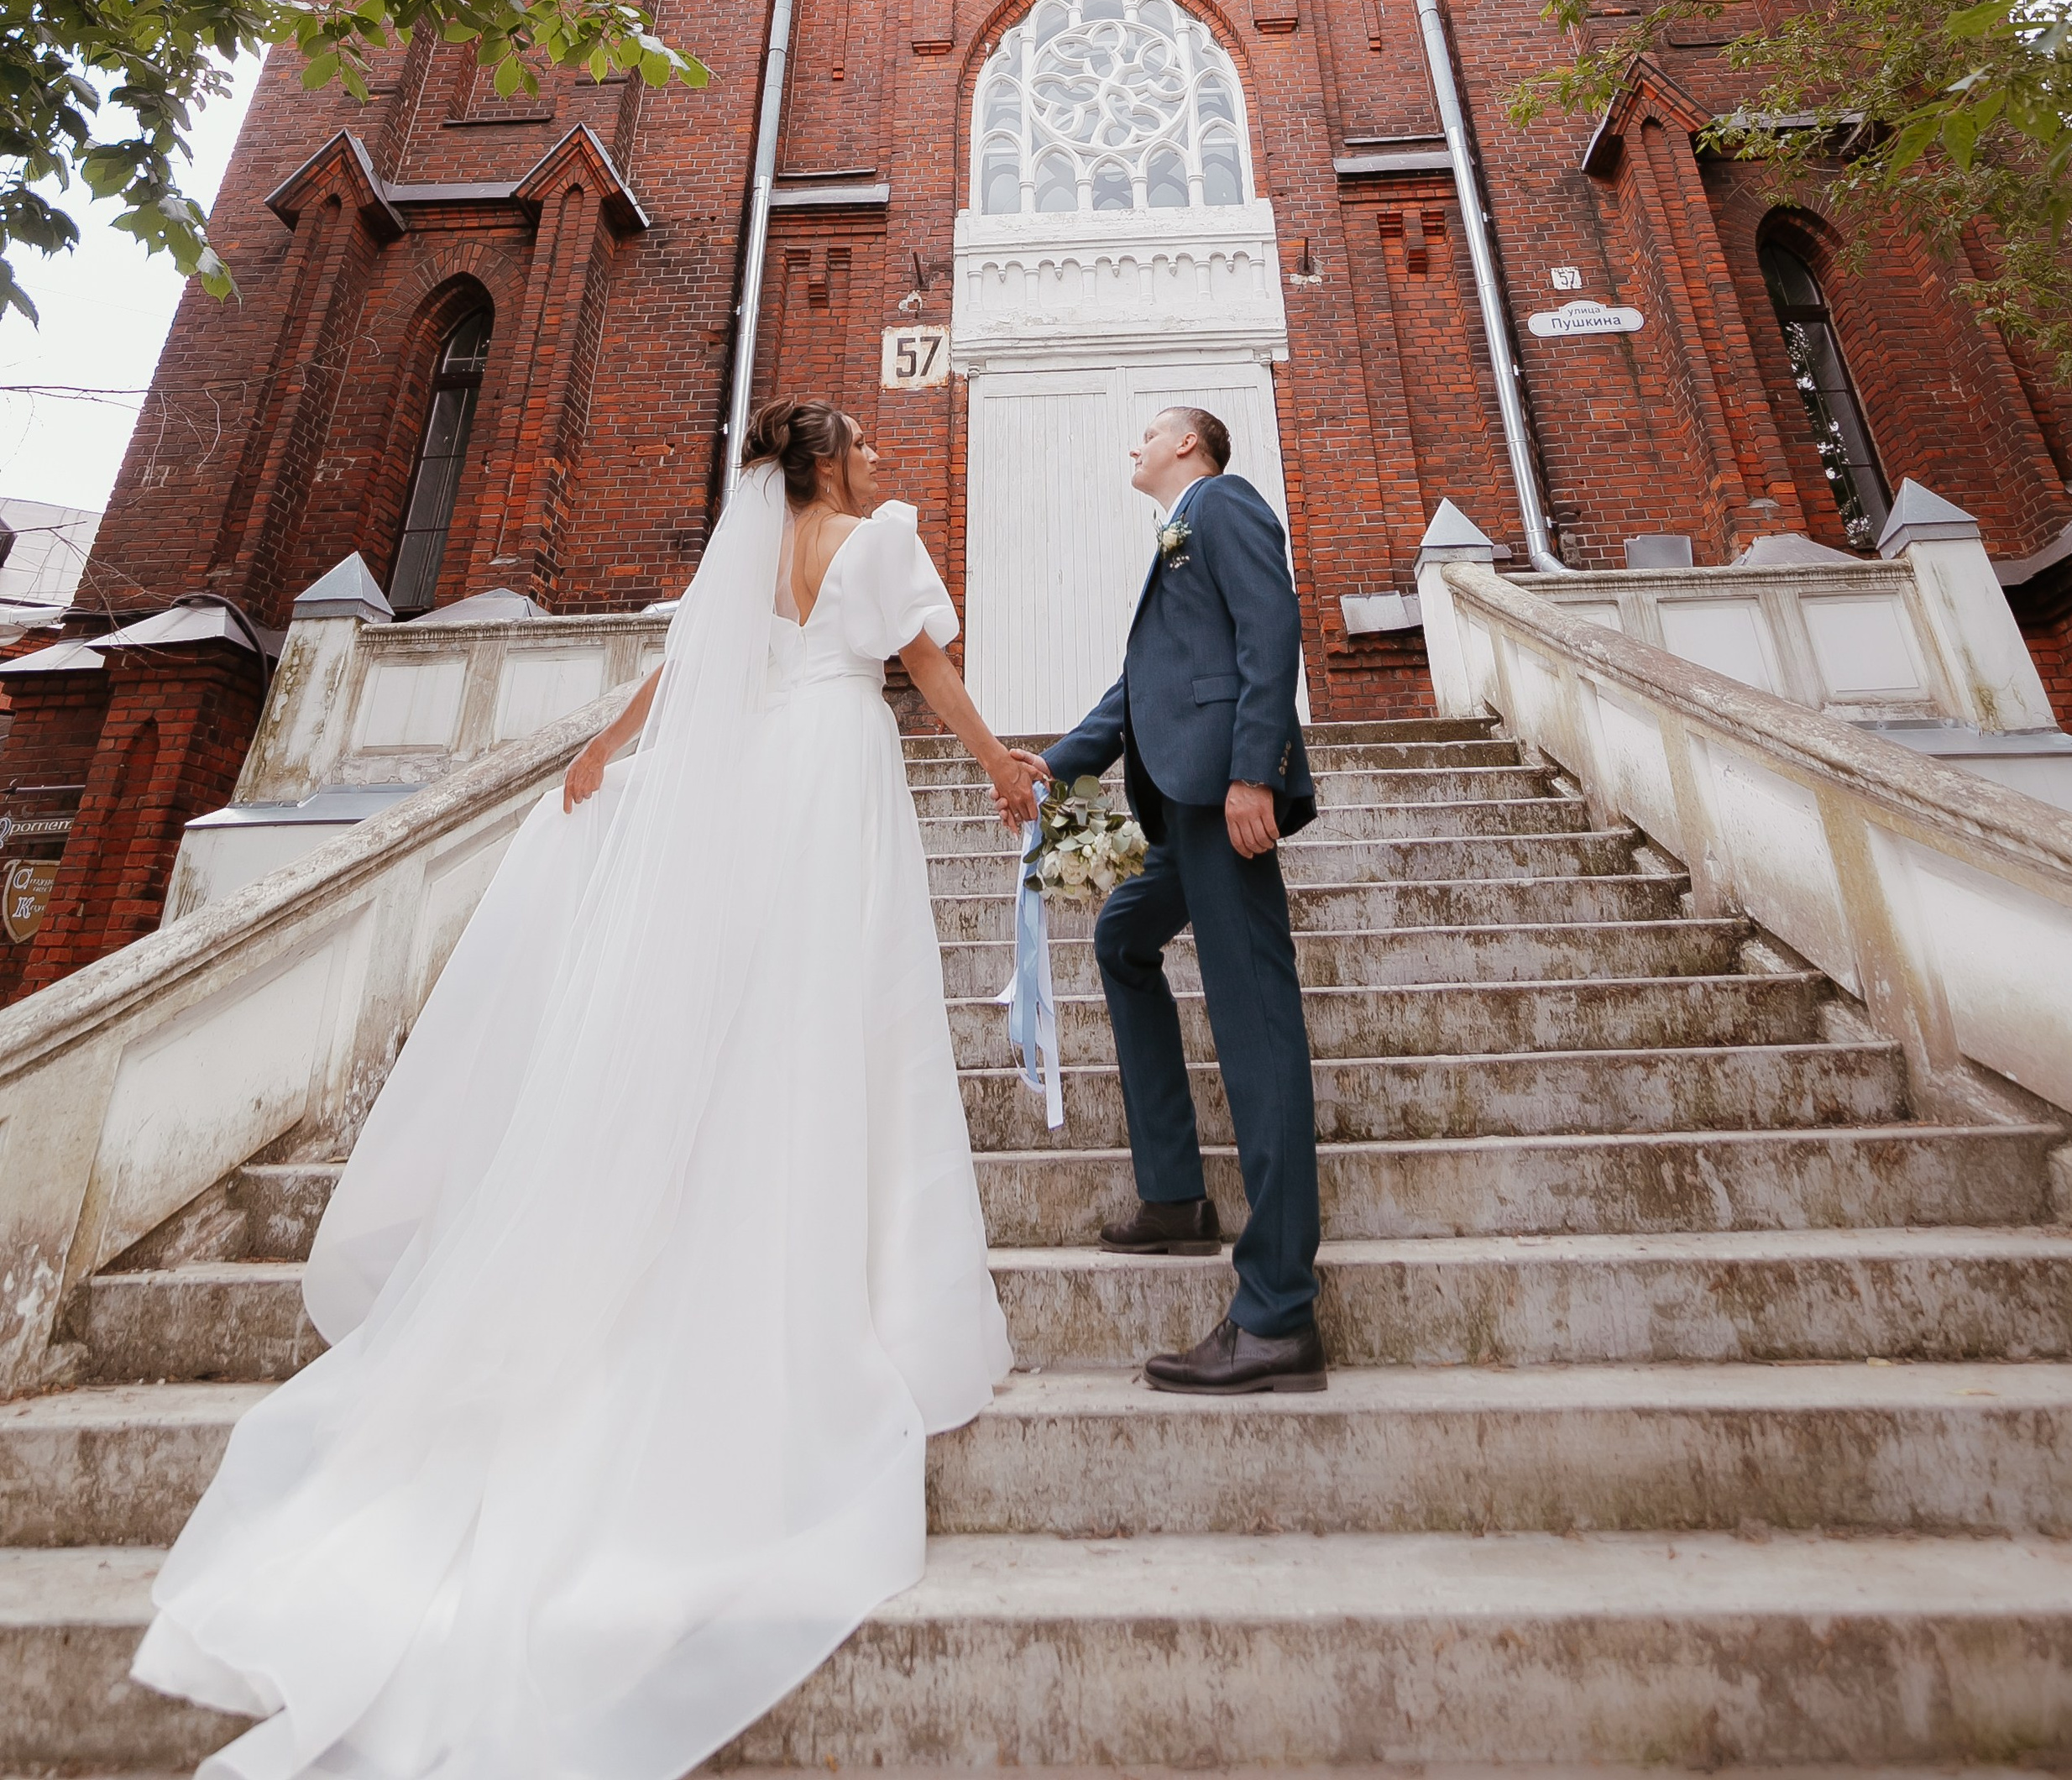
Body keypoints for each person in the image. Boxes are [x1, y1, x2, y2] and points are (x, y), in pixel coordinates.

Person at [133, 397, 1048, 1780]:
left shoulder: (751, 558)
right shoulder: (876, 538)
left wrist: (606, 751)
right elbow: (921, 668)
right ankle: (855, 1281)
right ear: (828, 462)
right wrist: (1001, 767)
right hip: (839, 783)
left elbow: (683, 674)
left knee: (760, 1017)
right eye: (861, 438)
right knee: (842, 1011)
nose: (879, 453)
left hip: (762, 792)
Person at [1044, 404, 1324, 1395]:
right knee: (1123, 938)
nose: (1132, 445)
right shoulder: (1178, 533)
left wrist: (1256, 769)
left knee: (1255, 1026)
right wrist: (1055, 771)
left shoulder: (1225, 504)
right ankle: (1173, 1194)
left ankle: (1277, 1313)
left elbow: (1271, 623)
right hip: (1179, 801)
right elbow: (1139, 691)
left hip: (1223, 794)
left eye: (1146, 433)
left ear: (1188, 446)